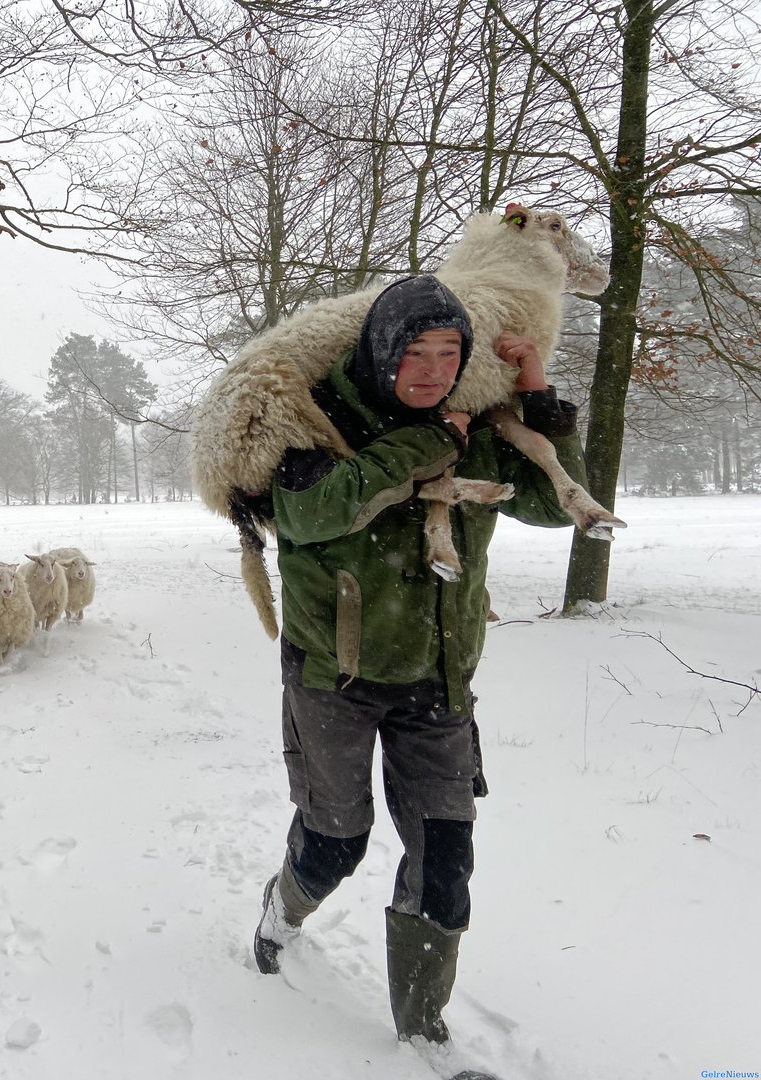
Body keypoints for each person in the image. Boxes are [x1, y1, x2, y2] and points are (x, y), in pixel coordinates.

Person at [245, 274, 588, 1049]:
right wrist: (431, 444)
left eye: (451, 351)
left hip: (437, 679)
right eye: (416, 350)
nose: (433, 369)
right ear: (379, 348)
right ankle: (282, 909)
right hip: (334, 678)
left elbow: (550, 503)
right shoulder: (316, 419)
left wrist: (538, 396)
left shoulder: (480, 419)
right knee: (335, 840)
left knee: (445, 859)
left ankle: (422, 1027)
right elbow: (315, 510)